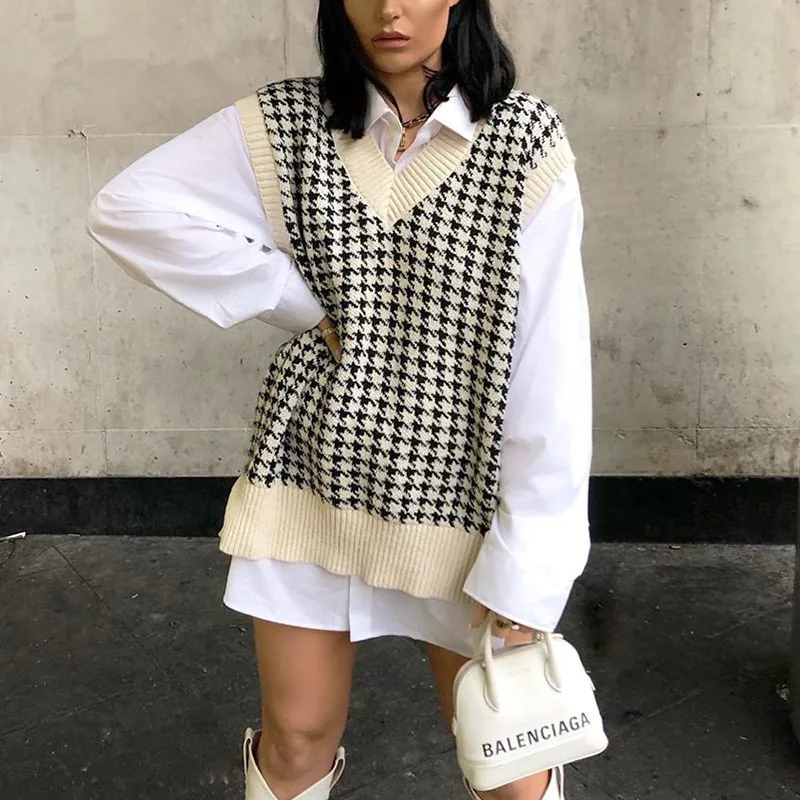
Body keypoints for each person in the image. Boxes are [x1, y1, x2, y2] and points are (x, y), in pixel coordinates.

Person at [87, 1, 592, 798]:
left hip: (461, 498)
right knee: (295, 742)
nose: (389, 8)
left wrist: (531, 562)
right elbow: (129, 208)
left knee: (509, 767)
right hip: (312, 481)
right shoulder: (290, 122)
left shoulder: (521, 139)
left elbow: (550, 367)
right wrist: (296, 300)